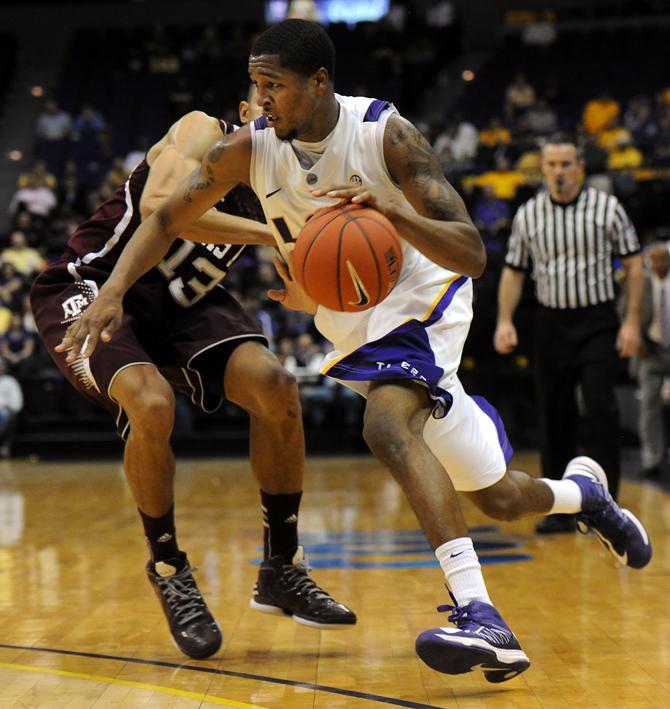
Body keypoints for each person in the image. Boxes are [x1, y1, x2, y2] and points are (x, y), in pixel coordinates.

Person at [59, 20, 652, 682]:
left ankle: (482, 614)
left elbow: (472, 252)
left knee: (384, 426)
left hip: (427, 303)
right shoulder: (250, 149)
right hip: (357, 329)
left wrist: (393, 213)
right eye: (255, 85)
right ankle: (585, 496)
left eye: (274, 86)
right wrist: (112, 290)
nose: (261, 101)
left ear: (318, 83)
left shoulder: (384, 133)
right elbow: (167, 216)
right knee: (499, 496)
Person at [31, 89, 356, 661]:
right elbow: (165, 208)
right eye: (264, 96)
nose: (272, 109)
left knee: (277, 388)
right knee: (152, 404)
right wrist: (276, 234)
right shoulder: (202, 131)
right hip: (97, 285)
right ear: (246, 106)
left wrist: (313, 277)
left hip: (185, 303)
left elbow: (302, 286)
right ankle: (168, 565)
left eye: (286, 98)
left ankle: (282, 565)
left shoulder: (288, 182)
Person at [494, 133, 645, 533]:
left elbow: (633, 265)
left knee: (600, 408)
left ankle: (606, 508)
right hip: (551, 323)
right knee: (553, 413)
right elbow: (513, 272)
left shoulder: (607, 208)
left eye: (566, 164)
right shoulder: (529, 214)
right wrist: (504, 321)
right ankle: (561, 508)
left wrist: (631, 322)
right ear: (542, 168)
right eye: (552, 165)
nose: (559, 171)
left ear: (579, 166)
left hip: (597, 320)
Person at [636, 242, 670, 479]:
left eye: (662, 259)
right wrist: (635, 336)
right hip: (650, 349)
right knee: (648, 406)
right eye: (654, 259)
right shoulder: (641, 281)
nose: (658, 264)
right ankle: (652, 460)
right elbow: (626, 310)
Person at [0, 356, 23, 457]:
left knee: (4, 414)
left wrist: (4, 404)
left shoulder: (10, 381)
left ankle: (5, 446)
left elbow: (17, 405)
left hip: (5, 412)